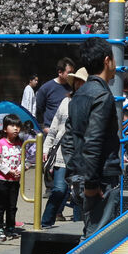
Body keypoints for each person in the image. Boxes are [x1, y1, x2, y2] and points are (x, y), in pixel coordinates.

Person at [61, 39, 121, 240]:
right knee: (99, 238)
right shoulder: (102, 95)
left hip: (80, 173)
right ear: (107, 61)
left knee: (90, 231)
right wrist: (92, 184)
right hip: (100, 177)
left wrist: (75, 169)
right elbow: (93, 141)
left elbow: (68, 137)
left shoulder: (79, 94)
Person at [41, 67, 89, 228]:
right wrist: (46, 148)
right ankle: (46, 222)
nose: (79, 85)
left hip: (81, 155)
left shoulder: (92, 104)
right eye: (77, 81)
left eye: (82, 82)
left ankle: (79, 225)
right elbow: (54, 127)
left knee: (78, 193)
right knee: (59, 189)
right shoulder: (66, 101)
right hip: (61, 153)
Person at [0, 114, 23, 241]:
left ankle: (10, 227)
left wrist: (19, 170)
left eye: (18, 126)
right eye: (12, 126)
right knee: (1, 205)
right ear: (5, 129)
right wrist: (9, 171)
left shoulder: (21, 144)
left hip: (15, 181)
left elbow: (24, 159)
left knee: (12, 205)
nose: (16, 128)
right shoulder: (0, 143)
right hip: (2, 179)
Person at [35, 57, 75, 134]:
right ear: (60, 72)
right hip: (51, 132)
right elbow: (39, 111)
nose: (72, 75)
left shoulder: (73, 88)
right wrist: (44, 128)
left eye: (73, 72)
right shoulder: (46, 88)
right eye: (69, 72)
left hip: (68, 132)